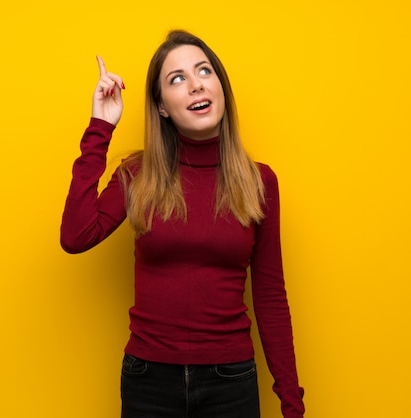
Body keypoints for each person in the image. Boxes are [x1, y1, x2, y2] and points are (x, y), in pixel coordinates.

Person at [61, 30, 305, 418]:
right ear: (161, 106)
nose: (195, 85)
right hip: (148, 380)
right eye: (177, 79)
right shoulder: (138, 174)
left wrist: (291, 403)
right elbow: (76, 236)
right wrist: (100, 128)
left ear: (221, 88)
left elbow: (271, 296)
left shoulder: (260, 182)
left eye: (204, 71)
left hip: (232, 381)